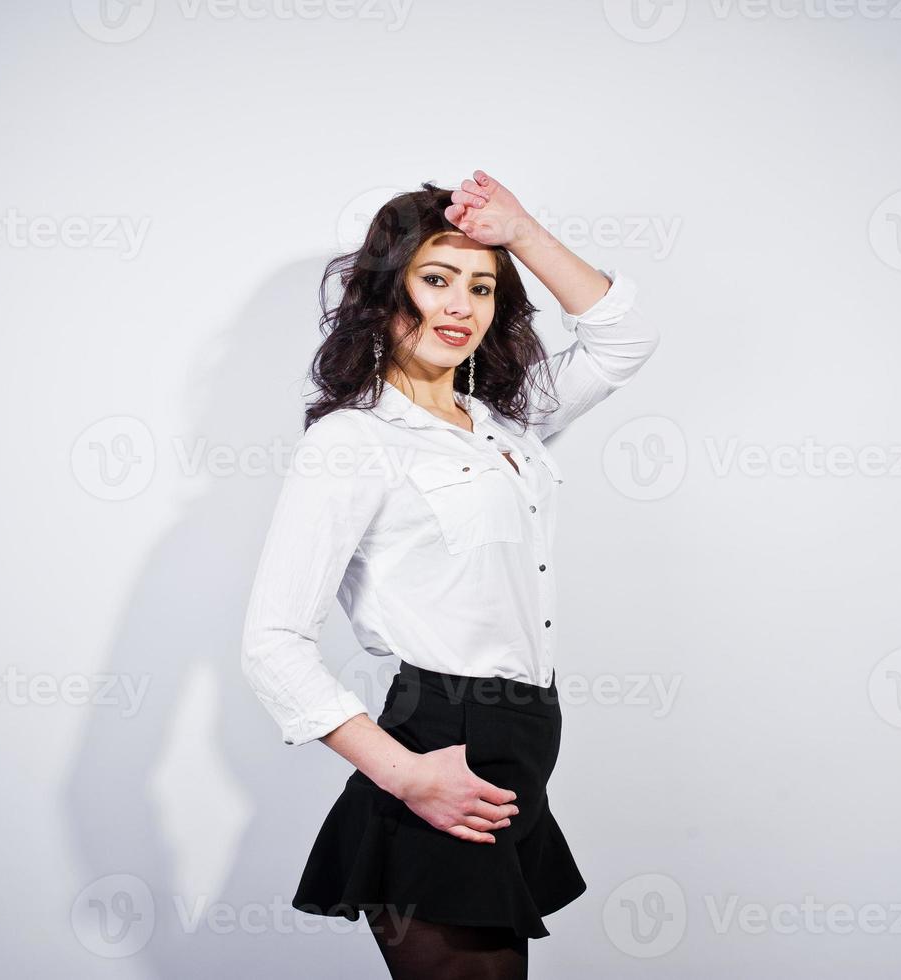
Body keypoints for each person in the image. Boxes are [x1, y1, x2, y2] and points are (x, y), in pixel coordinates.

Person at [240, 170, 659, 978]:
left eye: (480, 286)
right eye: (435, 280)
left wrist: (521, 231)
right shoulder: (353, 442)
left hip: (518, 750)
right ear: (384, 294)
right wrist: (405, 777)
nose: (459, 306)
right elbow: (273, 643)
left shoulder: (505, 422)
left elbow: (625, 335)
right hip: (444, 746)